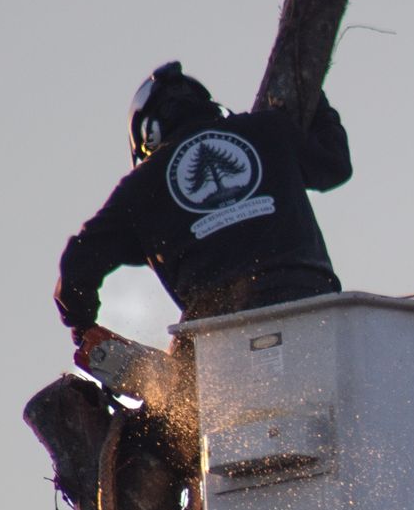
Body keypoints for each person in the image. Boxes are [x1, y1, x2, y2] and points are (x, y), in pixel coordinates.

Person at [55, 61, 353, 342]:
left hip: (217, 329)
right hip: (312, 302)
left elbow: (79, 263)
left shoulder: (141, 186)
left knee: (177, 390)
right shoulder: (271, 128)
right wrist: (317, 104)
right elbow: (335, 164)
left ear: (150, 134)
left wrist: (82, 323)